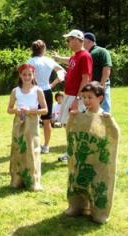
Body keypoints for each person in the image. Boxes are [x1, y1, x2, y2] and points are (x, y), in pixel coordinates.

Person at [65, 82, 119, 224]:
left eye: (90, 97)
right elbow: (72, 135)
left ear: (100, 98)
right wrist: (71, 119)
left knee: (98, 182)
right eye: (84, 97)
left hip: (98, 161)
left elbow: (113, 137)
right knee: (77, 178)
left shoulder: (104, 117)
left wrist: (110, 123)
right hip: (82, 159)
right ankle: (77, 205)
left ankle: (99, 212)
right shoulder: (81, 117)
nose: (86, 101)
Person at [52, 29, 93, 162]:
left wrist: (78, 98)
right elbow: (69, 61)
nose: (67, 42)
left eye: (69, 39)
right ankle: (72, 152)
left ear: (76, 39)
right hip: (69, 95)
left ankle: (77, 153)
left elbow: (86, 78)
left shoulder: (85, 56)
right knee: (68, 125)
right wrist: (57, 58)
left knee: (75, 126)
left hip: (76, 97)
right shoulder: (75, 56)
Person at [7, 64, 47, 191]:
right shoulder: (15, 91)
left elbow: (45, 110)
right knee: (18, 147)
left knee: (31, 149)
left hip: (32, 121)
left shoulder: (37, 90)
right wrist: (17, 111)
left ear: (33, 75)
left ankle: (32, 180)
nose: (27, 77)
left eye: (29, 74)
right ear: (20, 75)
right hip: (19, 121)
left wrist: (30, 110)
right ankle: (17, 179)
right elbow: (9, 109)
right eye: (24, 74)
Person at [28, 40, 66, 154]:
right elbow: (62, 71)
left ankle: (32, 144)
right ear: (44, 49)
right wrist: (53, 84)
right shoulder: (48, 61)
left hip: (33, 91)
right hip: (46, 90)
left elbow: (28, 76)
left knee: (31, 118)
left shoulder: (30, 61)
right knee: (47, 120)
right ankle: (46, 145)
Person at [83, 32, 113, 113]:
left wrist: (102, 85)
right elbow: (72, 60)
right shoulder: (85, 54)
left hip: (100, 85)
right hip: (90, 86)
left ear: (89, 41)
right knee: (91, 110)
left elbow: (107, 68)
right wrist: (58, 58)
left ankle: (106, 125)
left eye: (83, 41)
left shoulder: (101, 51)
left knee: (104, 109)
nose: (81, 43)